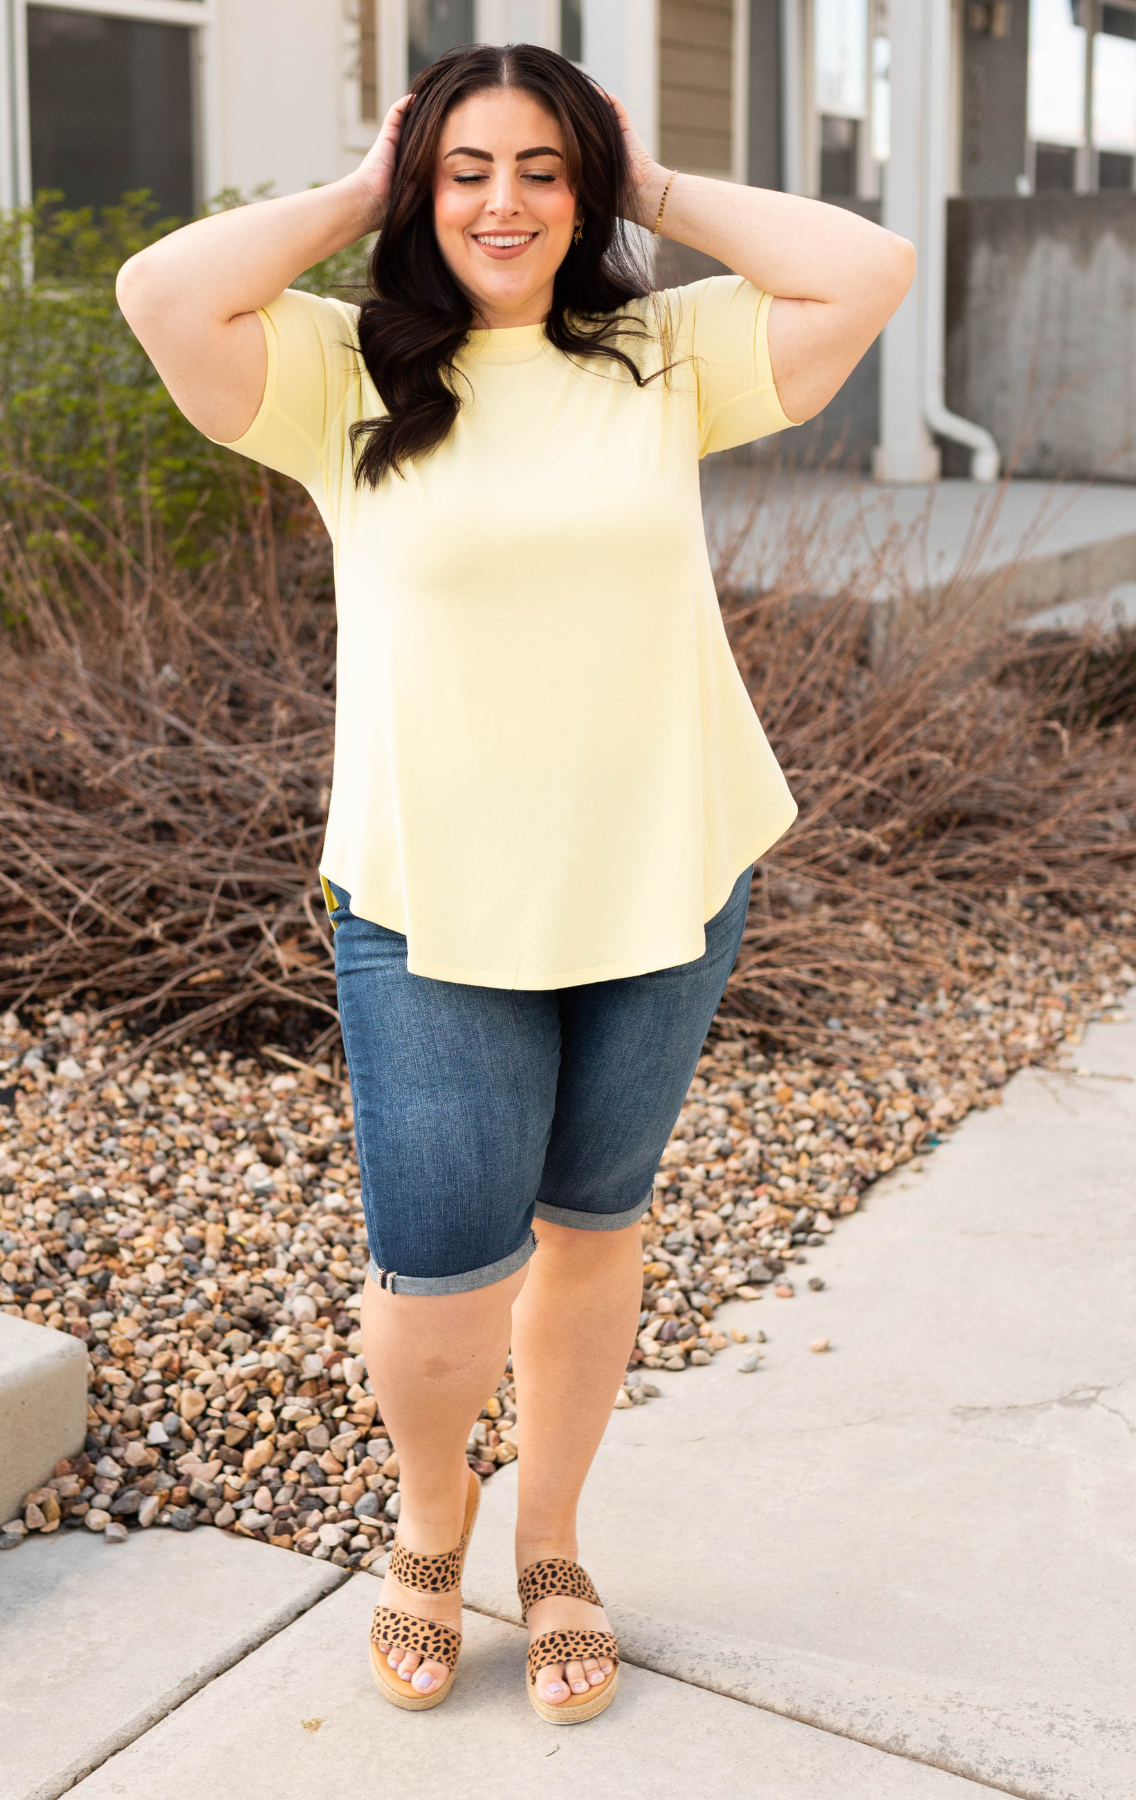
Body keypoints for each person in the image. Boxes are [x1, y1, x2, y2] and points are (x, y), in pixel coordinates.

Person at [116, 41, 912, 1724]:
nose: (504, 201)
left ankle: (548, 1540)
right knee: (434, 1283)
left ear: (585, 189)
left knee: (591, 1234)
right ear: (424, 185)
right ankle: (431, 1521)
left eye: (543, 168)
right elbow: (160, 289)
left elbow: (865, 265)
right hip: (433, 902)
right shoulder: (341, 372)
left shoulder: (658, 354)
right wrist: (356, 189)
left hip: (662, 882)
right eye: (467, 167)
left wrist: (656, 180)